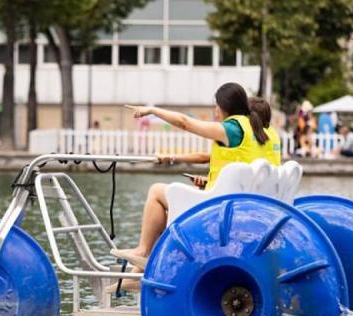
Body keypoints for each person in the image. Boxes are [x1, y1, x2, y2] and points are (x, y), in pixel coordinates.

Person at [114, 83, 280, 288]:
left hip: (223, 211)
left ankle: (143, 252)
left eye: (216, 106)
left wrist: (152, 110)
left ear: (224, 106)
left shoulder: (234, 128)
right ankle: (137, 275)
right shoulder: (264, 135)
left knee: (157, 191)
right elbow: (224, 163)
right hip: (255, 209)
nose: (215, 110)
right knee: (170, 206)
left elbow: (185, 122)